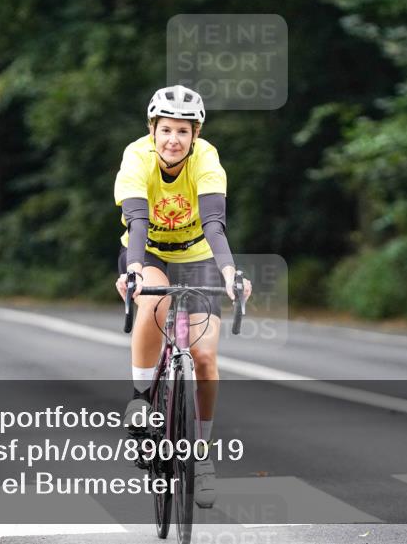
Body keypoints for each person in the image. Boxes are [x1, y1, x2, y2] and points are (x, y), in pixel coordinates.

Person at [114, 84, 252, 509]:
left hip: (199, 257)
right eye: (166, 130)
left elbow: (214, 223)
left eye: (184, 132)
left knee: (206, 358)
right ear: (152, 129)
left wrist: (230, 274)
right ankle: (140, 401)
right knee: (154, 301)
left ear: (195, 136)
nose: (174, 140)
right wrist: (135, 270)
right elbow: (137, 220)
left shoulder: (207, 160)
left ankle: (202, 455)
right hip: (149, 252)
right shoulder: (136, 157)